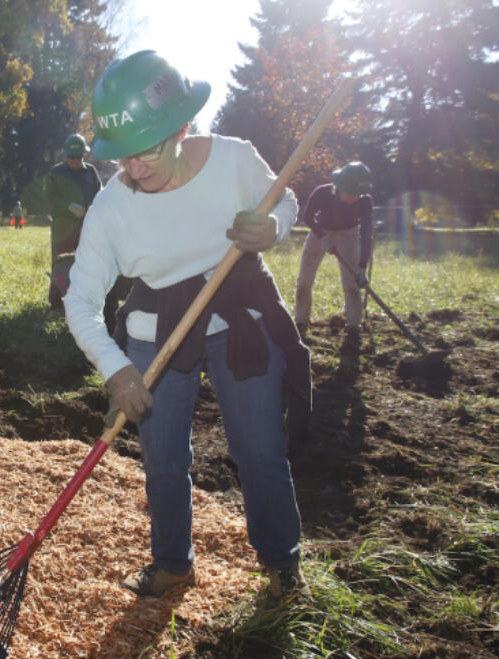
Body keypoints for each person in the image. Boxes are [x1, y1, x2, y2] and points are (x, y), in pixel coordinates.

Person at [63, 50, 311, 601]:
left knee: (259, 447)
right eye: (121, 156)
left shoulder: (233, 160)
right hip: (158, 324)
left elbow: (285, 200)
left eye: (146, 149)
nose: (134, 168)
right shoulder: (111, 208)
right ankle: (173, 563)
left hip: (236, 311)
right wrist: (117, 370)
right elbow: (80, 300)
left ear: (182, 126)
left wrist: (272, 228)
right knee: (163, 456)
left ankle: (281, 565)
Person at [294, 162, 374, 345]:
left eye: (358, 194)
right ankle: (301, 322)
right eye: (351, 193)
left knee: (352, 284)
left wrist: (362, 265)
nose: (355, 198)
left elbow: (366, 231)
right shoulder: (322, 193)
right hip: (320, 230)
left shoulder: (364, 200)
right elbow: (307, 217)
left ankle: (354, 327)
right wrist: (323, 238)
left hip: (349, 234)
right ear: (340, 186)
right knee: (304, 283)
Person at [45, 134, 103, 311]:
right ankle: (56, 302)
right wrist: (67, 206)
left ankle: (83, 298)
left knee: (86, 262)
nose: (76, 160)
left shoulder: (91, 172)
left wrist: (93, 206)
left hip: (86, 226)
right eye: (72, 157)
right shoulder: (56, 173)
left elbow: (100, 193)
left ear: (84, 155)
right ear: (65, 156)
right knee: (59, 263)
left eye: (79, 156)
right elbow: (49, 198)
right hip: (63, 227)